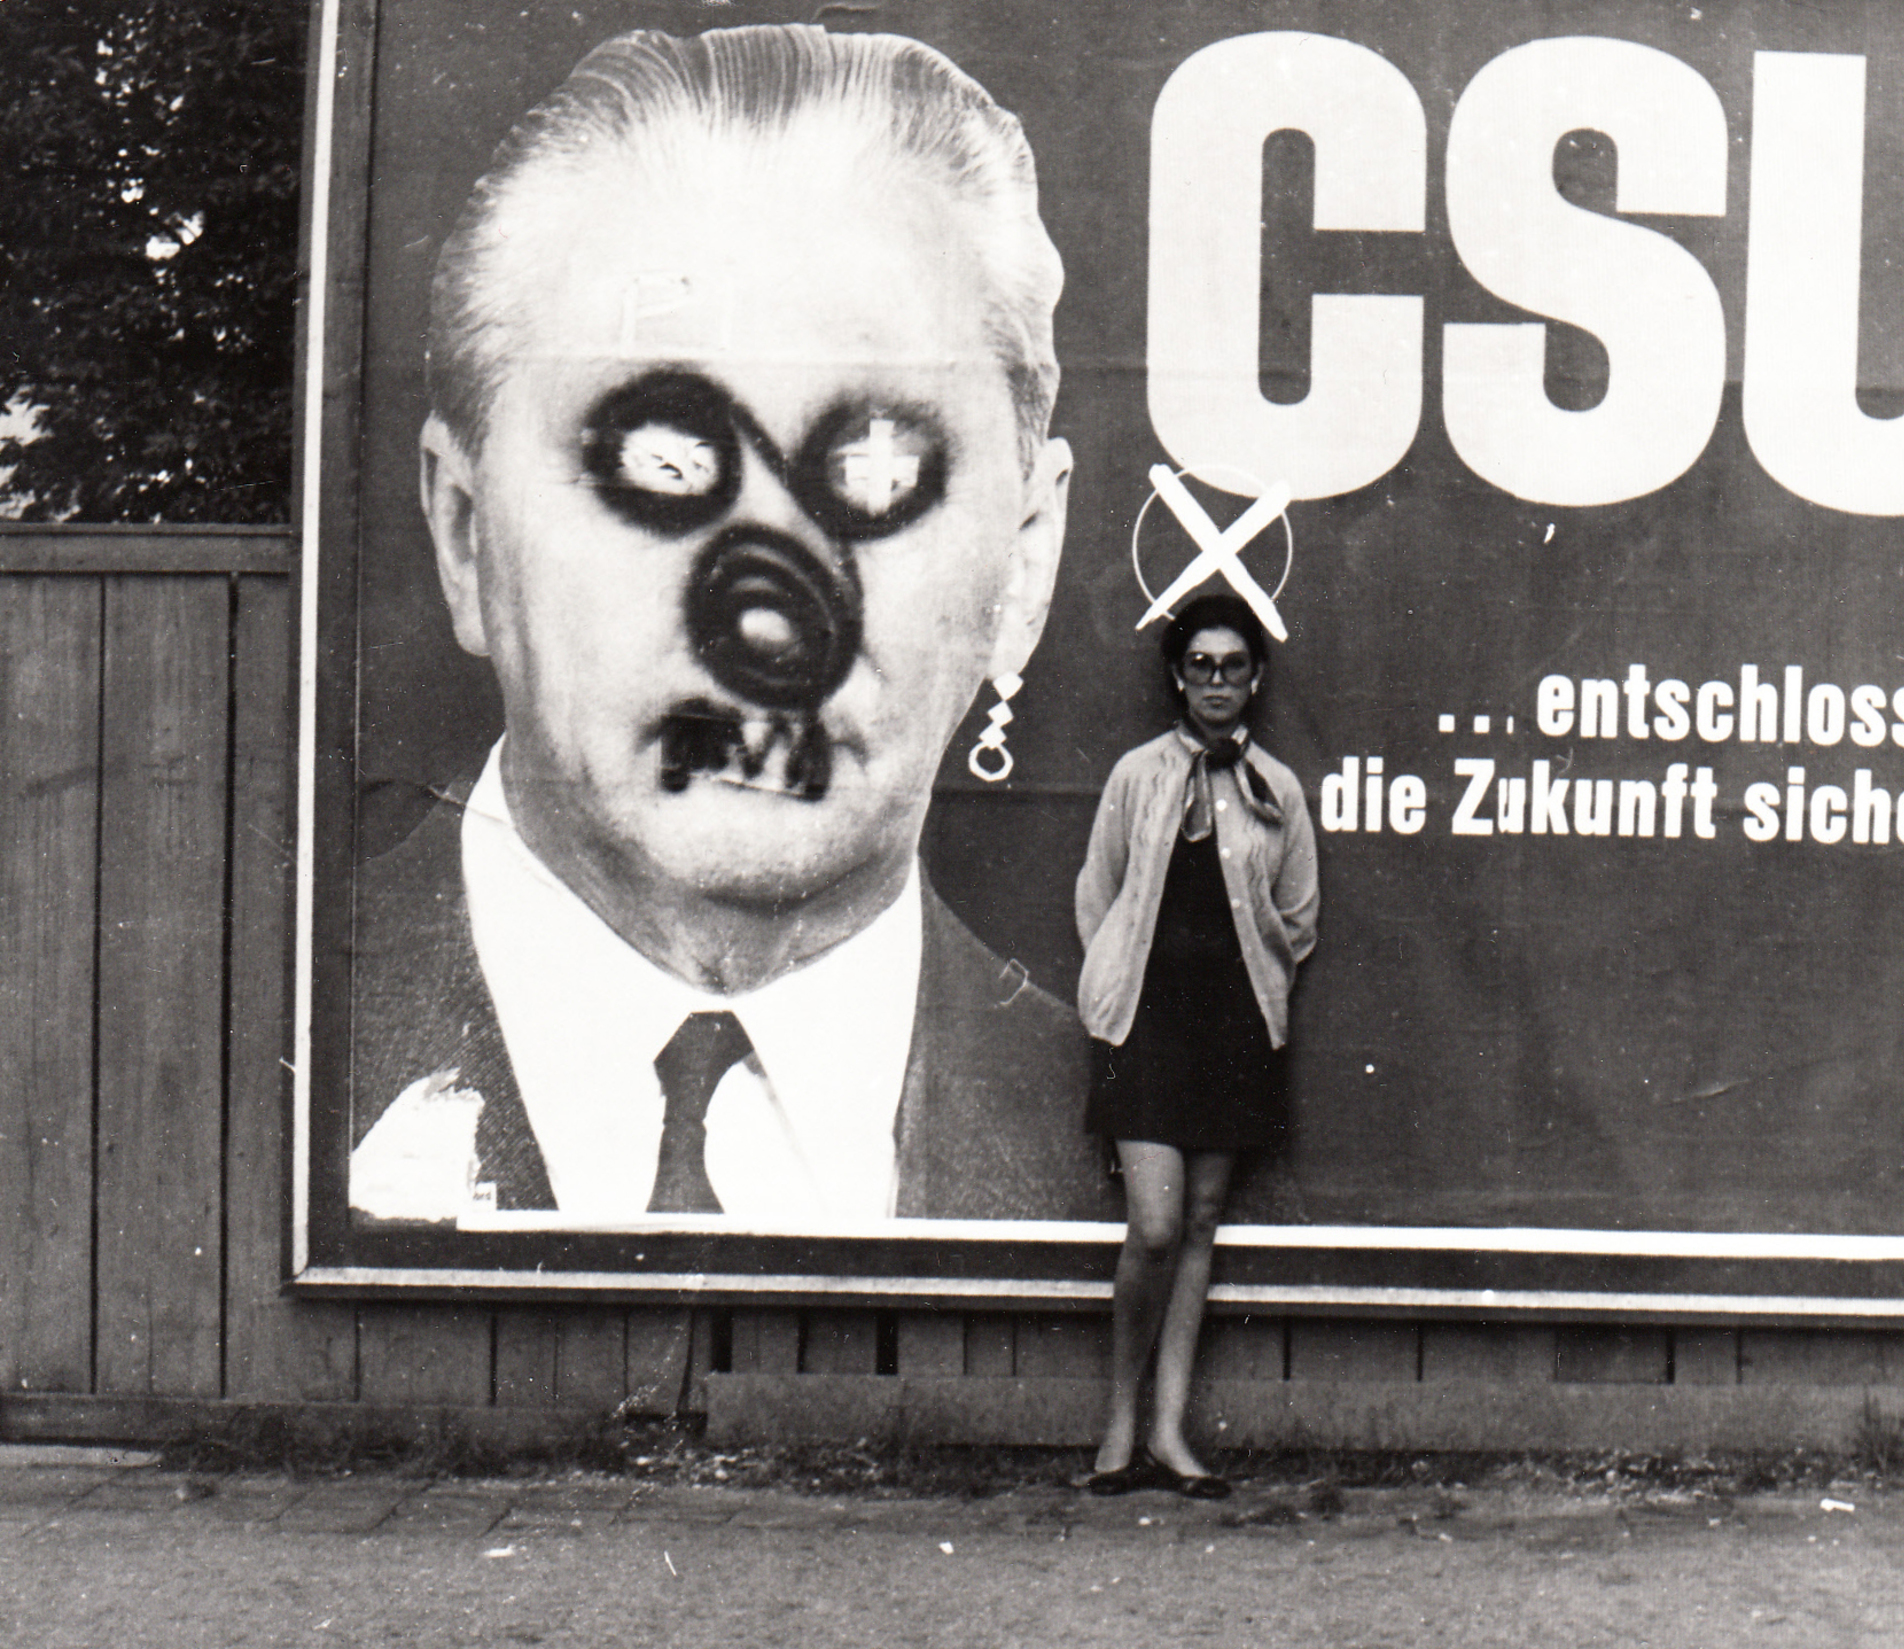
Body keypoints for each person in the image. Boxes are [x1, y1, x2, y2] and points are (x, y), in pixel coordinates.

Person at [346, 23, 1110, 1230]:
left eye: (873, 476)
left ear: (1024, 564)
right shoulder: (237, 1032)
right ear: (463, 530)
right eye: (658, 467)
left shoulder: (1114, 1148)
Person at [1073, 592, 1319, 1495]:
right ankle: (1118, 1426)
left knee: (1202, 1224)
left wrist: (1253, 985)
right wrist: (1117, 985)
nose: (1218, 681)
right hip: (1143, 1023)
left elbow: (1299, 915)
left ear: (1256, 678)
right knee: (1155, 1225)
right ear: (1179, 676)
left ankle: (1170, 1434)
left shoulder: (1278, 788)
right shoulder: (1136, 776)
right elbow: (1097, 895)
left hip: (1234, 1027)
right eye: (1201, 665)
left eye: (1234, 666)